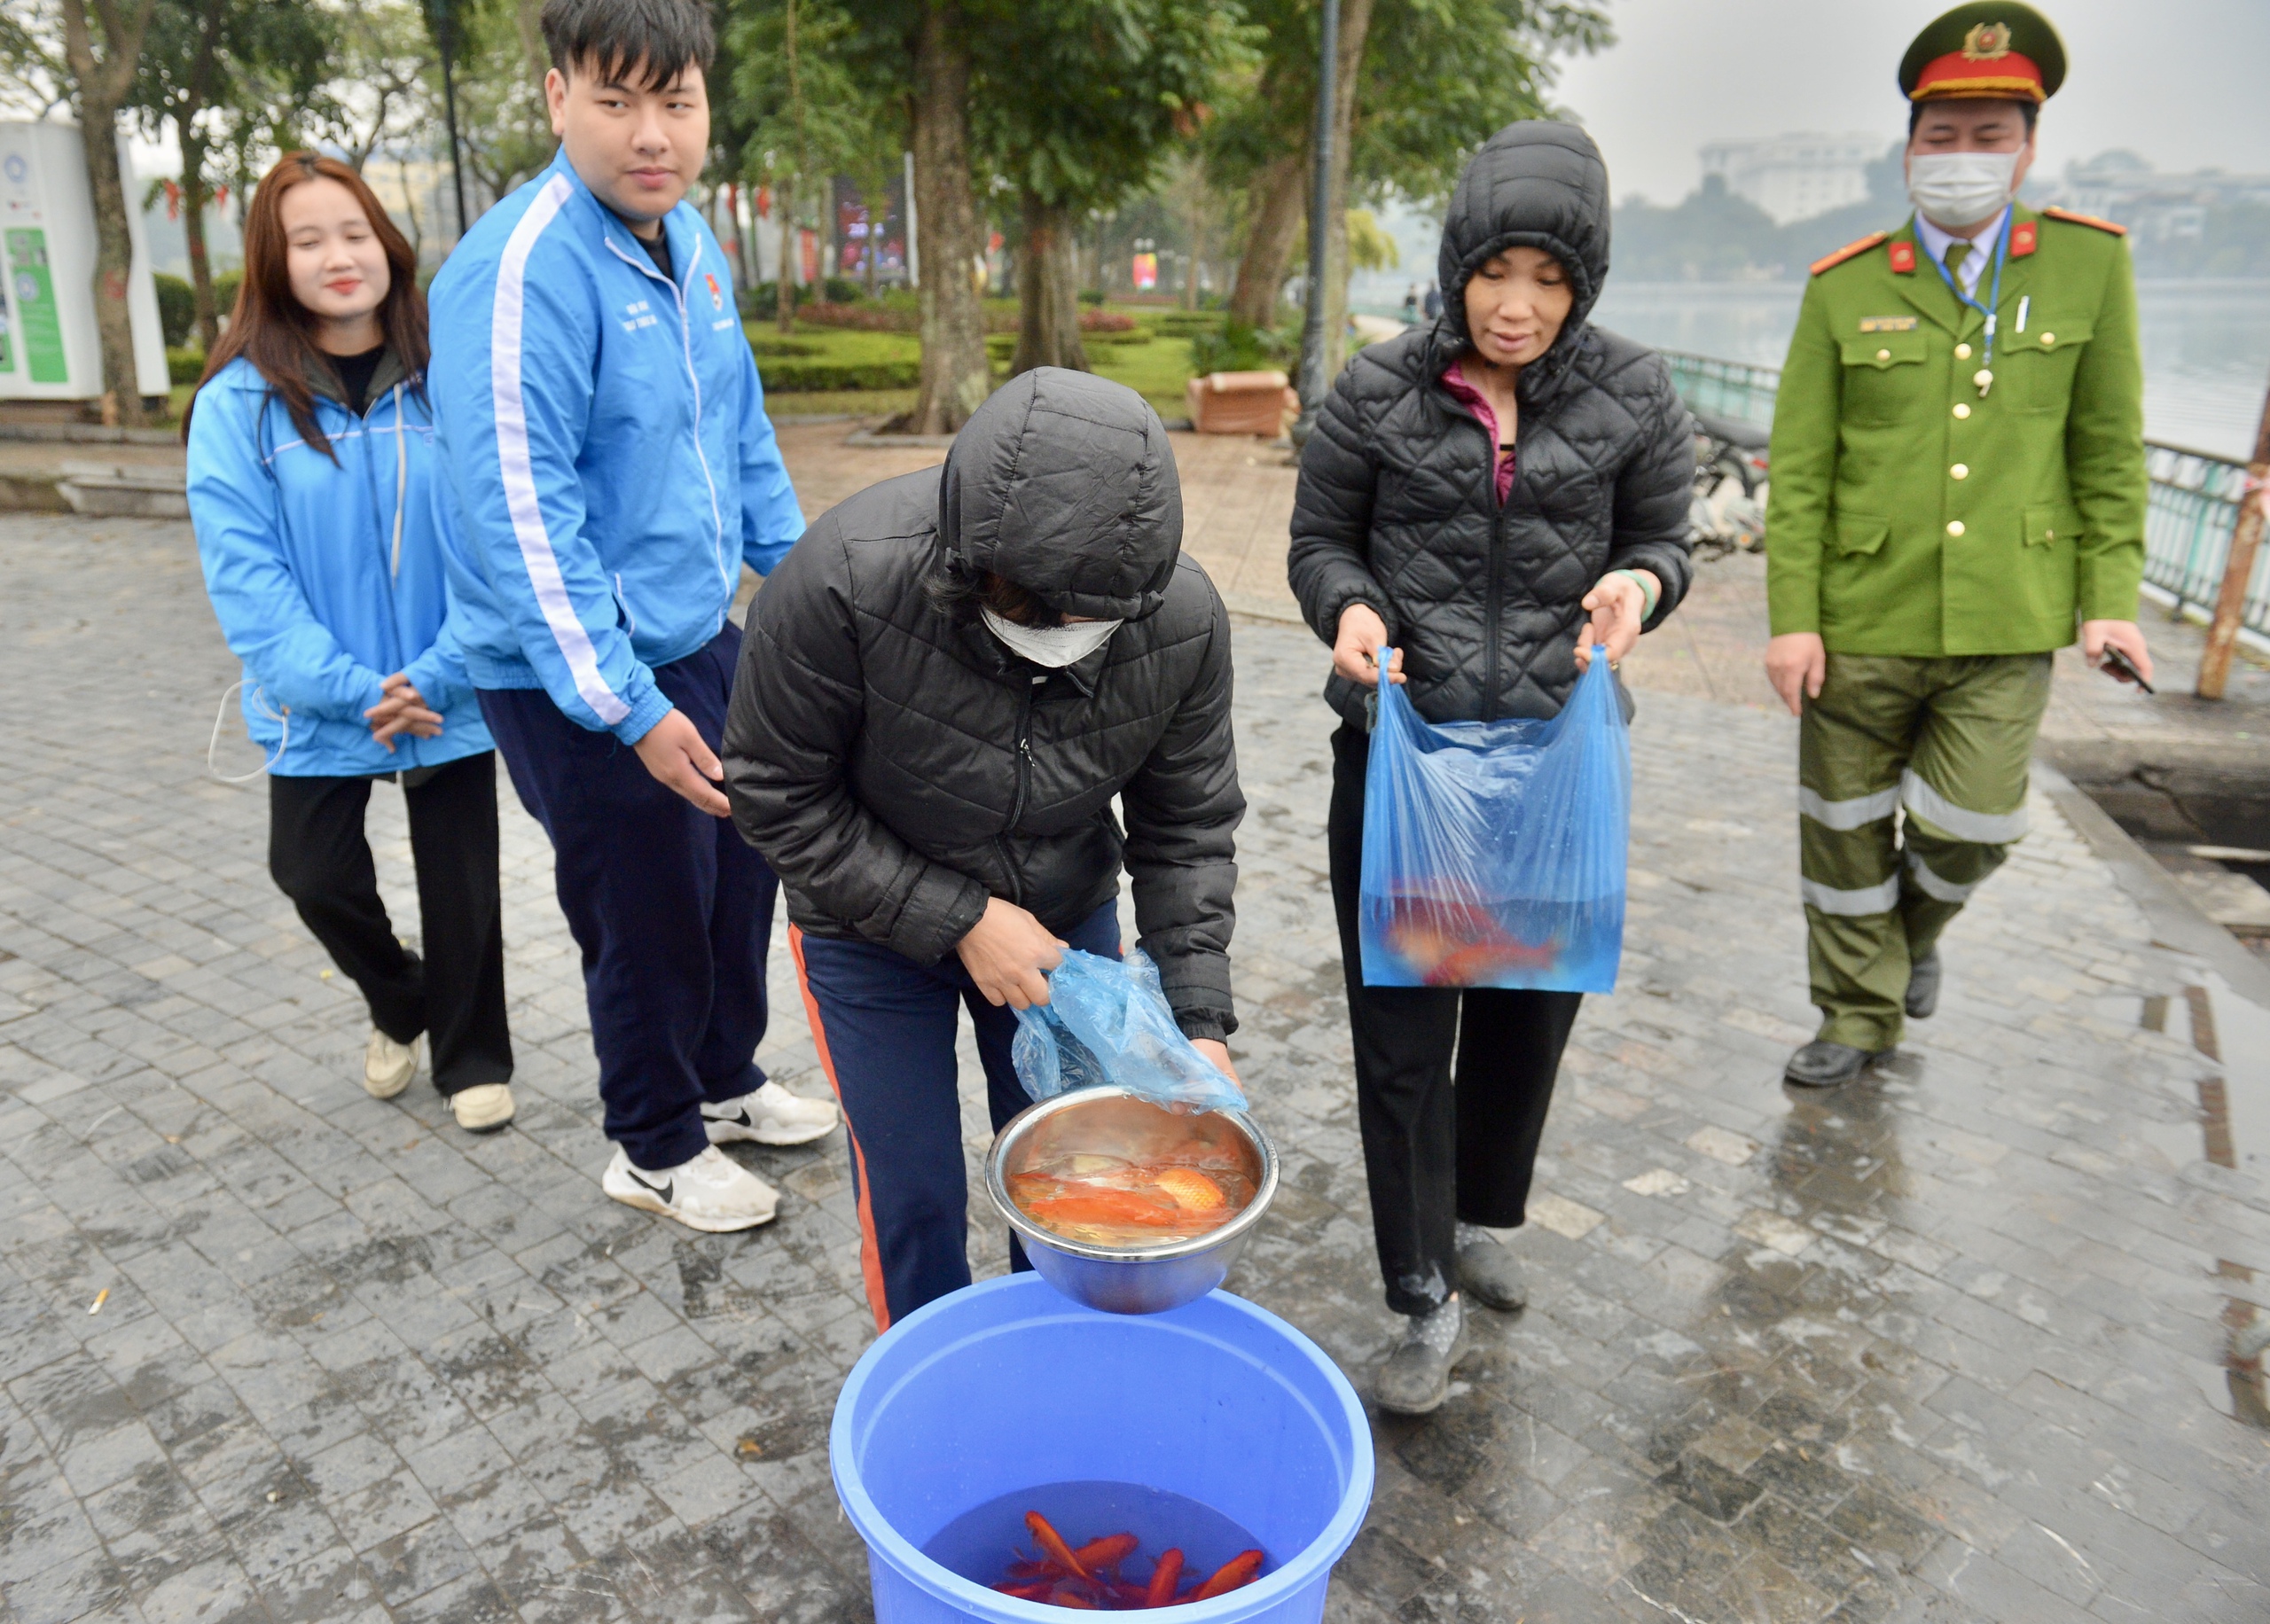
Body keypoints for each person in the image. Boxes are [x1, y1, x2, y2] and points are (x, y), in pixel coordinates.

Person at [1288, 121, 1695, 1416]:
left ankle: (1476, 1216)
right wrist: (1347, 612)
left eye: (1552, 281)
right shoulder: (1373, 391)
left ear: (1587, 288)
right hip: (1406, 760)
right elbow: (1318, 544)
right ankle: (1418, 1294)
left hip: (1557, 761)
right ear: (1456, 263)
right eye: (1495, 272)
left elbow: (1668, 539)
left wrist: (1640, 583)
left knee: (1529, 1010)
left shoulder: (1634, 392)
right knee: (1404, 1031)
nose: (1517, 307)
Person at [427, 0, 835, 1233]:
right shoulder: (518, 273)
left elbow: (741, 440)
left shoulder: (688, 239)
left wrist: (816, 593)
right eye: (617, 102)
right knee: (645, 902)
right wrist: (627, 707)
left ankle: (719, 1079)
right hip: (571, 667)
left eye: (677, 101)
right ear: (559, 99)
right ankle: (651, 1142)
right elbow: (522, 517)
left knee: (737, 874)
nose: (651, 134)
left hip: (696, 627)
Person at [722, 369, 1243, 1331]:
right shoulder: (841, 577)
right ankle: (926, 1377)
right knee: (911, 1185)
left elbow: (1187, 828)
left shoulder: (1180, 622)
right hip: (865, 929)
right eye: (1033, 607)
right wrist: (957, 917)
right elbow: (771, 789)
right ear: (970, 560)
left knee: (1071, 1174)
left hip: (1059, 924)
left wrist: (1198, 1018)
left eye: (1088, 619)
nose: (1057, 637)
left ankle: (1052, 1355)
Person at [1764, 2, 2150, 1089]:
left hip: (2009, 610)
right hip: (1858, 611)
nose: (1963, 157)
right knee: (1840, 830)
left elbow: (2108, 451)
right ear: (1907, 148)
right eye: (1942, 135)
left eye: (1990, 135)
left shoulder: (2087, 269)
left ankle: (1905, 941)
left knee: (1977, 823)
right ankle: (1855, 1013)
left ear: (2028, 147)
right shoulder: (1844, 285)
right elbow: (1798, 471)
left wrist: (2107, 596)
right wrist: (1791, 616)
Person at [187, 153, 516, 1135]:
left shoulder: (447, 376)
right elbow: (246, 574)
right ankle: (401, 1001)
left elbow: (502, 530)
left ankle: (472, 1056)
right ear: (271, 261)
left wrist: (441, 669)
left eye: (355, 231)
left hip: (449, 679)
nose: (339, 255)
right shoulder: (237, 406)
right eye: (308, 238)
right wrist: (353, 686)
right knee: (314, 873)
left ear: (388, 243)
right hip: (323, 697)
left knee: (463, 883)